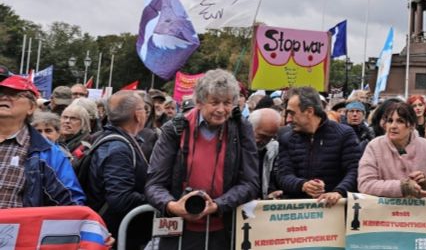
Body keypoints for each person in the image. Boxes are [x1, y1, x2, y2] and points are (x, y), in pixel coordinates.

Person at [145, 69, 258, 250]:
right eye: (214, 102)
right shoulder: (174, 129)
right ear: (199, 101)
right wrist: (173, 206)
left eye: (227, 103)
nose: (221, 109)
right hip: (178, 232)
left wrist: (217, 206)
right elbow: (154, 184)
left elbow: (251, 183)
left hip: (223, 232)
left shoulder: (241, 129)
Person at [0, 76, 84, 207]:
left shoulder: (48, 153)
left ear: (31, 107)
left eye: (14, 94)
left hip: (19, 227)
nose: (4, 97)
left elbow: (70, 202)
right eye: (1, 93)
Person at [84, 91, 151, 250]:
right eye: (144, 109)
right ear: (137, 115)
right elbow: (120, 198)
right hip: (116, 237)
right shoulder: (118, 149)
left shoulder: (117, 139)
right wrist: (158, 200)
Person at [275, 86, 360, 205]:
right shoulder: (287, 138)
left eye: (292, 113)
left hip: (333, 210)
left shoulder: (344, 134)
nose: (289, 119)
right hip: (296, 210)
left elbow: (354, 170)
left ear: (309, 111)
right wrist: (303, 185)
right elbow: (283, 175)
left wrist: (339, 192)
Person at [357, 100, 426, 197]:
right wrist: (402, 187)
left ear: (412, 125)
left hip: (421, 212)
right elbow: (365, 184)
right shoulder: (374, 147)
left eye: (400, 121)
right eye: (390, 121)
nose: (393, 126)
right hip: (385, 212)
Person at [248, 107, 281, 199]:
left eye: (270, 137)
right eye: (261, 136)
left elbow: (272, 179)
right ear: (249, 128)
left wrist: (271, 192)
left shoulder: (273, 147)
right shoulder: (234, 147)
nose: (265, 141)